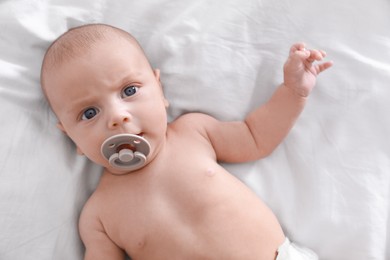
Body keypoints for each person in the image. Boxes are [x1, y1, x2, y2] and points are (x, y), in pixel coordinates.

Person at [40, 23, 332, 260]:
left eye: (129, 91)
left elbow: (257, 137)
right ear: (72, 137)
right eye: (89, 113)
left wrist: (293, 91)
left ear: (160, 89)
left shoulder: (193, 133)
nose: (118, 117)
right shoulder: (98, 217)